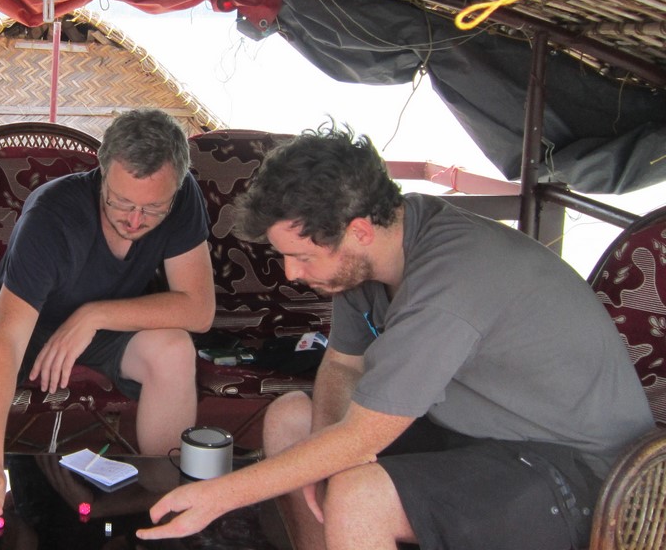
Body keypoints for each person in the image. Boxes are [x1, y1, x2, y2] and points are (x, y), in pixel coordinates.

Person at [137, 125, 655, 550]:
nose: (292, 274)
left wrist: (220, 495)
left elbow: (364, 436)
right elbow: (343, 365)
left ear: (360, 231)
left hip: (587, 473)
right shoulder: (378, 254)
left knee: (360, 496)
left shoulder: (450, 282)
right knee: (292, 418)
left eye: (303, 257)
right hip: (479, 434)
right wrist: (321, 457)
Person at [0, 108, 215, 522]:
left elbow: (199, 309)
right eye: (121, 202)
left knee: (174, 350)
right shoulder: (53, 213)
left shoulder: (183, 195)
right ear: (102, 170)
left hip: (109, 320)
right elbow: (7, 334)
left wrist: (92, 315)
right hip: (25, 315)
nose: (135, 220)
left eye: (154, 208)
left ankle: (162, 501)